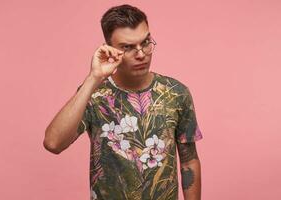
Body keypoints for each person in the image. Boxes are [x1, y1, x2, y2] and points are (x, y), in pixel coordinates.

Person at [44, 4, 203, 200]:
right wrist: (94, 78)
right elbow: (53, 143)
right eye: (128, 47)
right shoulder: (95, 95)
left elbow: (189, 161)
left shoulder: (175, 93)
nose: (141, 54)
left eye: (145, 42)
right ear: (109, 48)